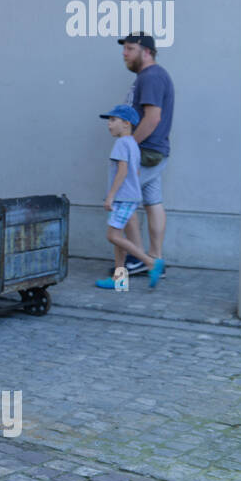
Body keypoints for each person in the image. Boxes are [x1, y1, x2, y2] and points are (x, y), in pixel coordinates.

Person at [117, 32, 175, 276]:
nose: (125, 53)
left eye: (130, 48)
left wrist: (130, 145)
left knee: (121, 200)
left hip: (146, 152)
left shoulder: (151, 77)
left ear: (147, 51)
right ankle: (155, 260)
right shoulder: (150, 76)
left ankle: (139, 258)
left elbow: (152, 118)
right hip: (153, 151)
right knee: (153, 202)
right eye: (125, 49)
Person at [95, 105, 164, 290]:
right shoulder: (133, 144)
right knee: (119, 240)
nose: (109, 125)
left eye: (112, 120)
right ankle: (120, 279)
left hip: (122, 198)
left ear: (126, 123)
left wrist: (110, 196)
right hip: (130, 197)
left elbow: (122, 171)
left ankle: (150, 262)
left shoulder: (121, 144)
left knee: (112, 236)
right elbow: (137, 171)